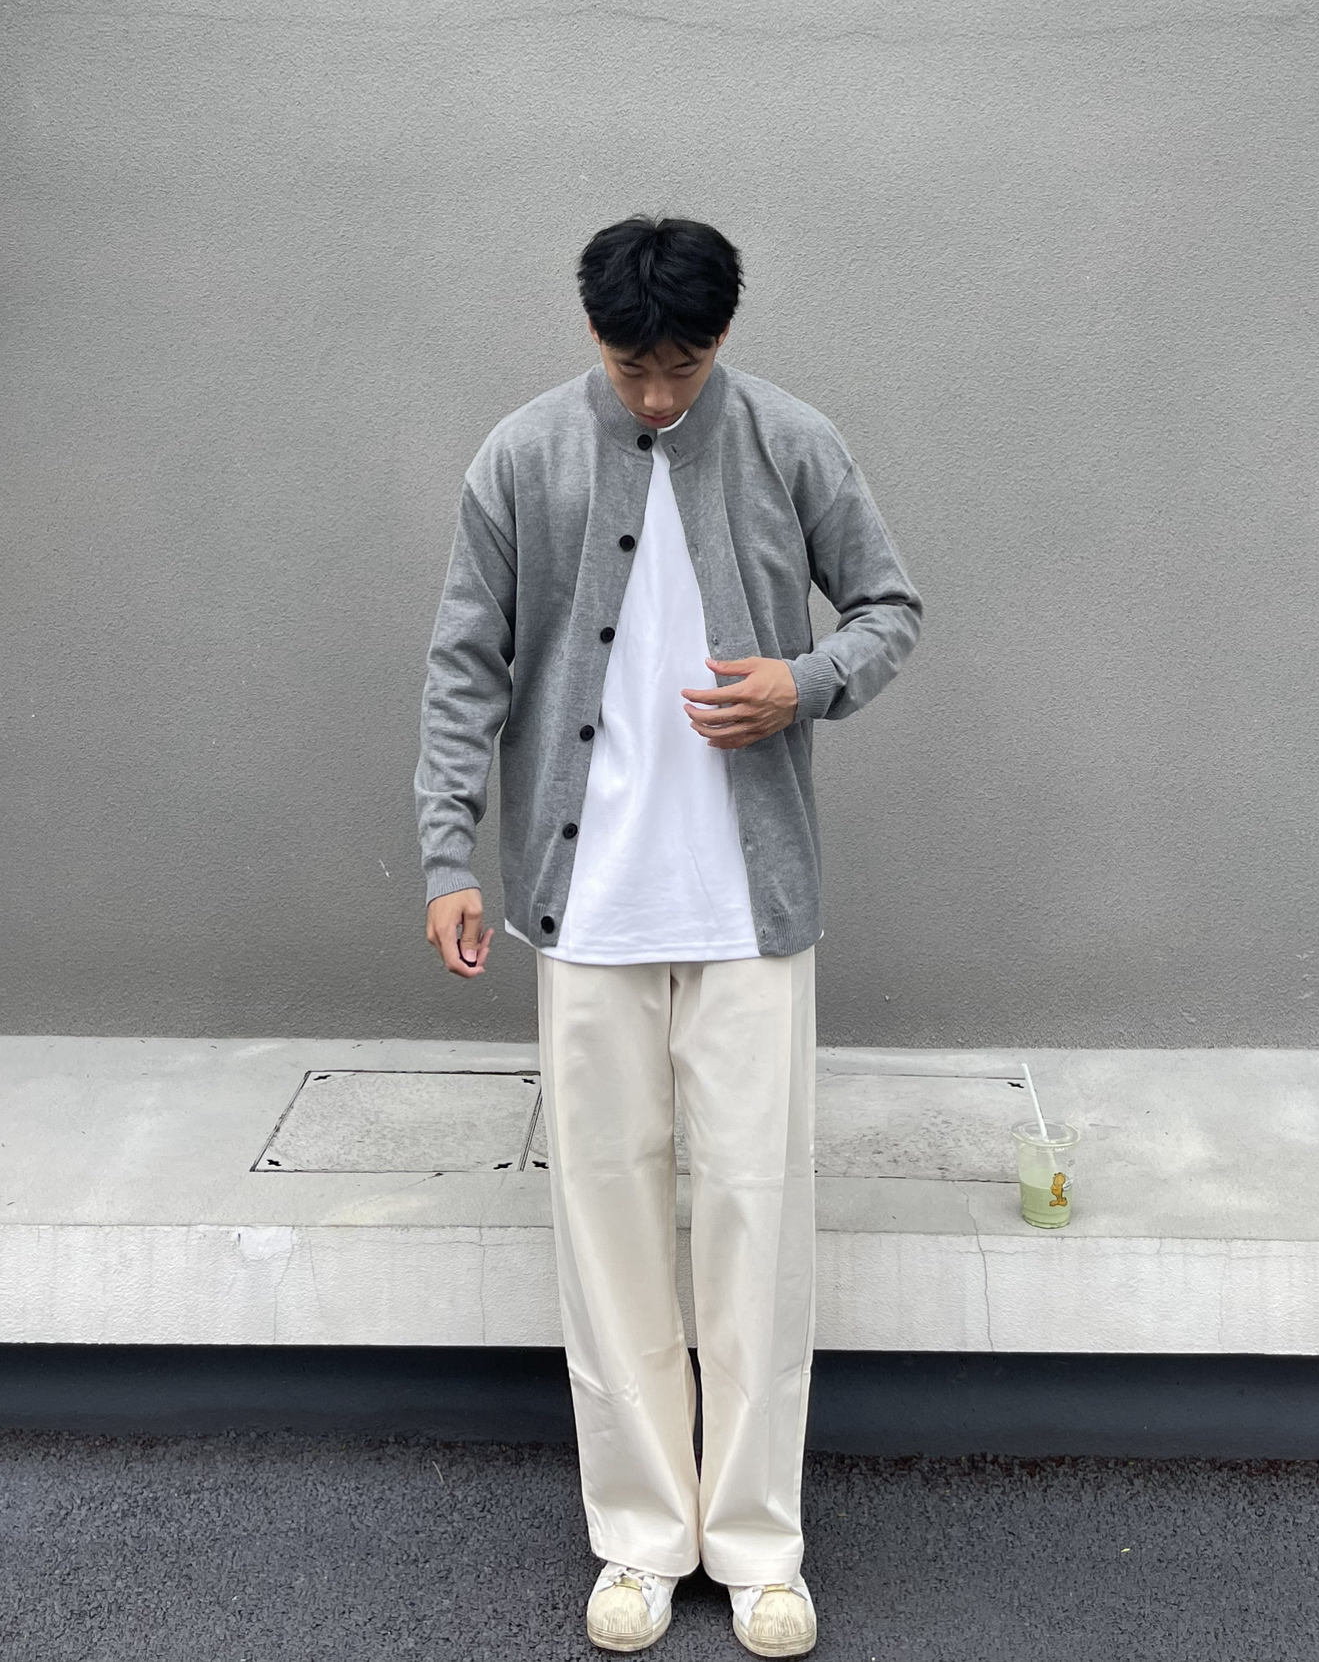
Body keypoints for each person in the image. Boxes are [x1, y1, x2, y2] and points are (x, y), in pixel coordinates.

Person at [414, 216, 921, 1655]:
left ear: (722, 337)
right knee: (607, 1226)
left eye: (681, 367)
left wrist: (804, 682)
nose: (654, 394)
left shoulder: (791, 441)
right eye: (631, 366)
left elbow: (891, 607)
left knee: (759, 1225)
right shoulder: (522, 456)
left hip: (750, 912)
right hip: (588, 914)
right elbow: (463, 664)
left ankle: (759, 1545)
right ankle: (639, 1536)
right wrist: (448, 851)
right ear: (593, 335)